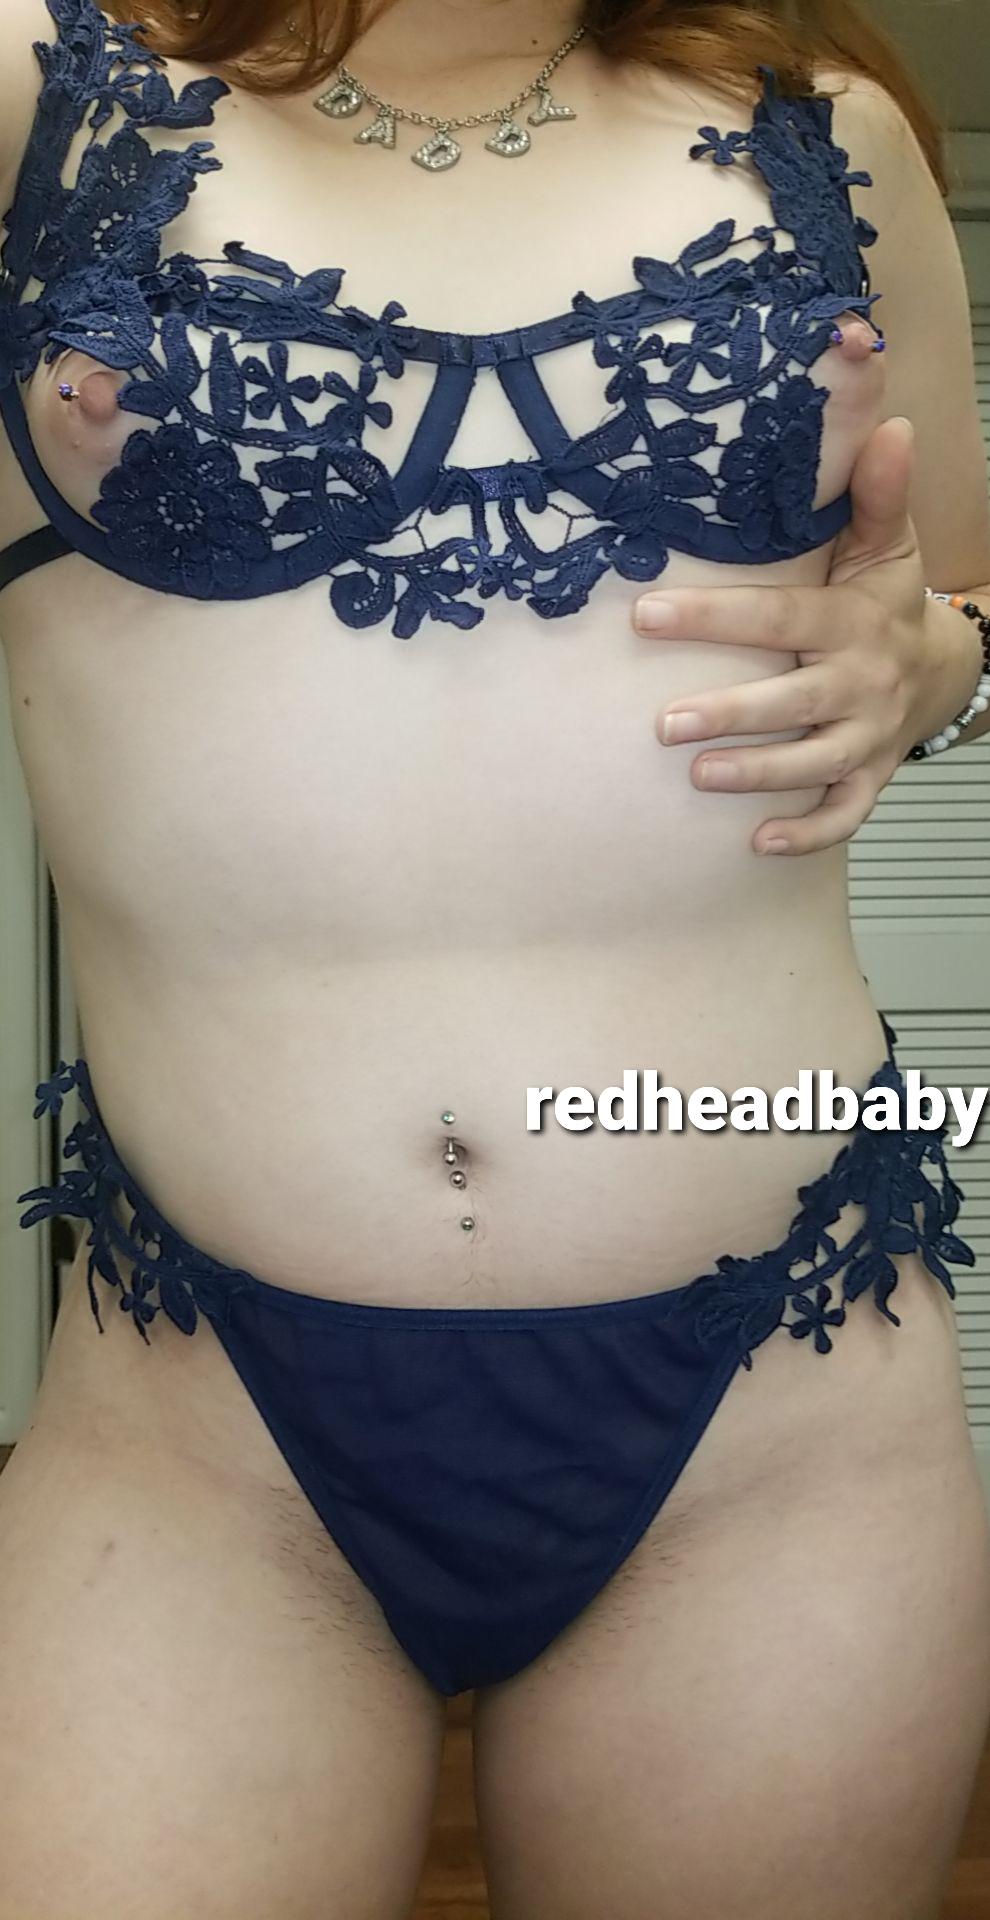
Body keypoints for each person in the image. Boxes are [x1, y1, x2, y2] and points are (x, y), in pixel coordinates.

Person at [1, 0, 989, 1913]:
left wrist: (941, 662)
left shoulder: (823, 131)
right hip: (199, 1427)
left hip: (779, 1407)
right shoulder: (49, 86)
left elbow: (946, 594)